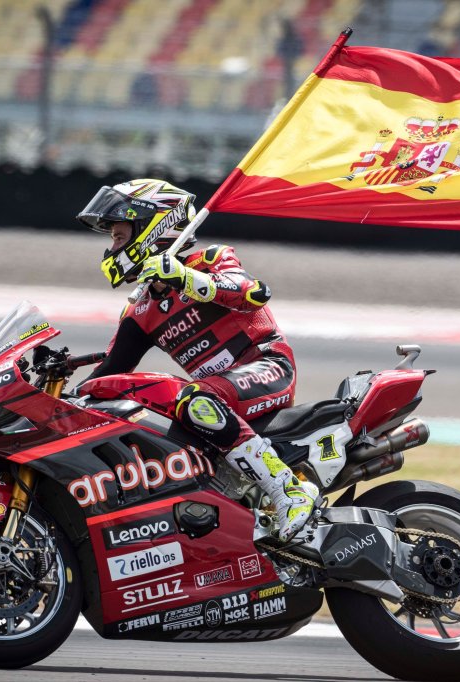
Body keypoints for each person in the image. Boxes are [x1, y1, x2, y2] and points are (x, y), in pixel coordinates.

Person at [77, 178, 318, 542]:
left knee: (191, 398)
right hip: (218, 397)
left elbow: (255, 293)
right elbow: (109, 372)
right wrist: (59, 395)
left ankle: (290, 490)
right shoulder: (140, 311)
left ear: (152, 228)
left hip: (269, 367)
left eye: (119, 235)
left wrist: (184, 278)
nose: (112, 248)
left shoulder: (209, 260)